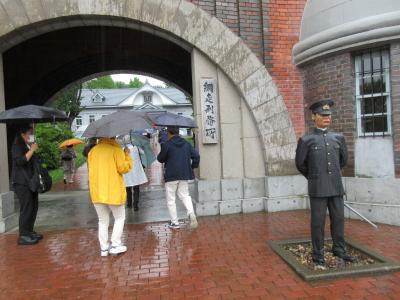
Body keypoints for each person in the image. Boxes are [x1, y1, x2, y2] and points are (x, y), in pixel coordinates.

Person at [295, 99, 355, 268]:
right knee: (317, 222)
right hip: (318, 188)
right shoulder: (307, 140)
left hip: (335, 187)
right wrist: (314, 176)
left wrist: (331, 176)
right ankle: (318, 254)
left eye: (329, 115)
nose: (327, 117)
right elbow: (300, 164)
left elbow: (343, 160)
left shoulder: (338, 138)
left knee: (338, 219)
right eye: (323, 115)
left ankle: (339, 250)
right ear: (314, 116)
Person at [88, 137, 132, 257]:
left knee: (102, 220)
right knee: (119, 217)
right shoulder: (115, 150)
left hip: (97, 191)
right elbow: (123, 168)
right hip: (113, 191)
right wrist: (127, 155)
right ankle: (115, 244)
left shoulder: (93, 151)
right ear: (112, 136)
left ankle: (104, 248)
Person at [157, 126, 200, 229]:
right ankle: (191, 213)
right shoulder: (186, 143)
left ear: (169, 133)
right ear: (178, 132)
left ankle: (175, 222)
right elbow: (196, 156)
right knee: (185, 195)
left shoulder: (167, 144)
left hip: (171, 175)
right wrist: (192, 167)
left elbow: (160, 159)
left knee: (171, 199)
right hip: (184, 174)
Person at [11, 124, 43, 245]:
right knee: (26, 208)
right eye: (30, 133)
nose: (31, 136)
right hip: (21, 183)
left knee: (33, 207)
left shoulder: (26, 145)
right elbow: (20, 161)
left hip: (30, 182)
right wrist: (32, 150)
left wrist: (31, 148)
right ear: (23, 134)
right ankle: (23, 235)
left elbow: (32, 161)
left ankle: (29, 231)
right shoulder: (17, 146)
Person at [120, 135, 148, 211]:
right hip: (136, 171)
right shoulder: (136, 147)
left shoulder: (122, 150)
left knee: (127, 188)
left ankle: (129, 204)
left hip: (127, 171)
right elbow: (143, 152)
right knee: (136, 188)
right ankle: (135, 205)